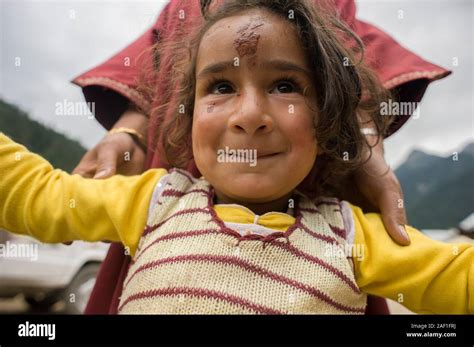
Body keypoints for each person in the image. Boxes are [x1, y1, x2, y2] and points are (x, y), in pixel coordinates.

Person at [1, 0, 471, 314]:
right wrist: (131, 127)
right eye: (220, 87)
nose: (250, 115)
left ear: (330, 119)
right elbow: (31, 193)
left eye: (286, 86)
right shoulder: (151, 205)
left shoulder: (350, 238)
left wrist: (363, 146)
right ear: (182, 116)